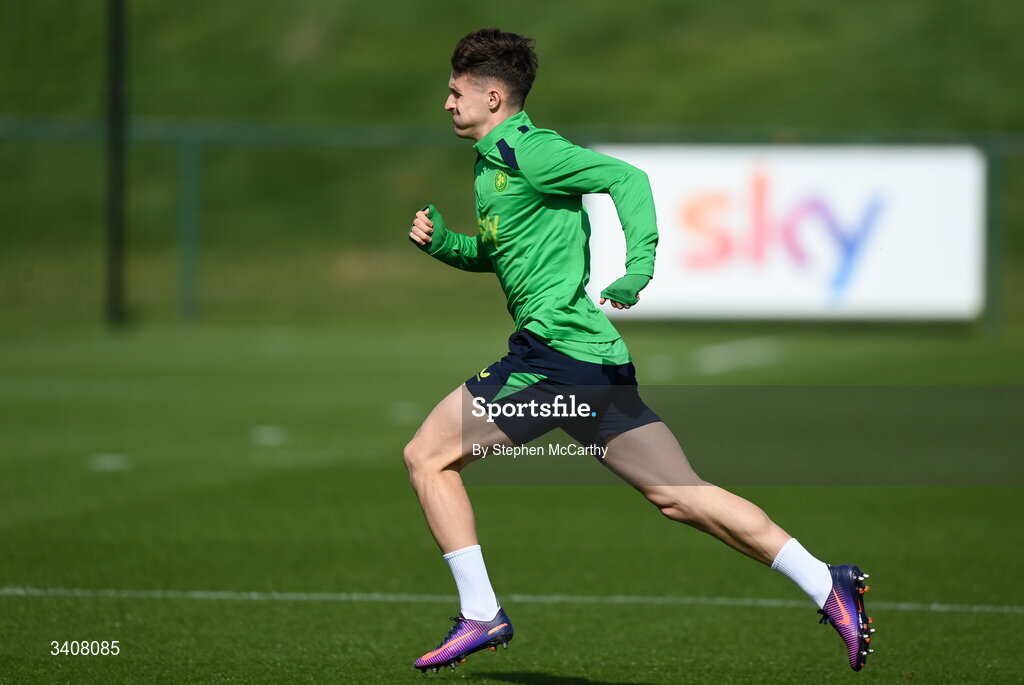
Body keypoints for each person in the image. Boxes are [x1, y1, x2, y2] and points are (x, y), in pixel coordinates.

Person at [405, 27, 874, 674]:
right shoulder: (492, 164)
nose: (447, 103)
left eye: (457, 93)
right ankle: (826, 579)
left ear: (493, 96)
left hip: (554, 358)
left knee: (428, 456)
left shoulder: (530, 151)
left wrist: (636, 268)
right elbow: (504, 253)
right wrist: (444, 246)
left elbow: (626, 177)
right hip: (589, 361)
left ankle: (482, 612)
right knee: (681, 495)